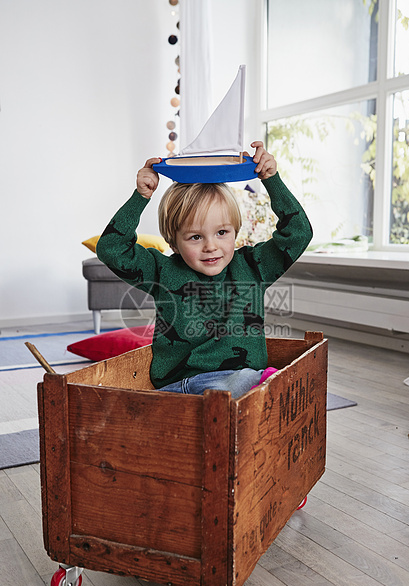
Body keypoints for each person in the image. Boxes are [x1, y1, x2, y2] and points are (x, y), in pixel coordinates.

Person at [96, 142, 312, 398]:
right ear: (173, 241)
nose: (211, 246)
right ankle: (258, 387)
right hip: (183, 386)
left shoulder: (253, 267)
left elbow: (298, 233)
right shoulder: (162, 272)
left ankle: (256, 387)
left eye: (222, 232)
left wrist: (271, 180)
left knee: (245, 380)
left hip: (242, 383)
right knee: (233, 386)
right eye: (195, 237)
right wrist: (140, 197)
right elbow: (111, 248)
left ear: (235, 232)